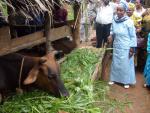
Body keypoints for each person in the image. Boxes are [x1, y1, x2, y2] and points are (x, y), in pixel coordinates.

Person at [108, 1, 137, 88]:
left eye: (121, 10)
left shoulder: (129, 21)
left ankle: (126, 81)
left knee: (125, 64)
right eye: (118, 10)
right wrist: (111, 35)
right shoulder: (114, 19)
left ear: (125, 11)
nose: (119, 12)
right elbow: (112, 29)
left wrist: (132, 48)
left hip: (126, 45)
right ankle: (114, 79)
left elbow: (133, 36)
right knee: (116, 63)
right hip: (117, 44)